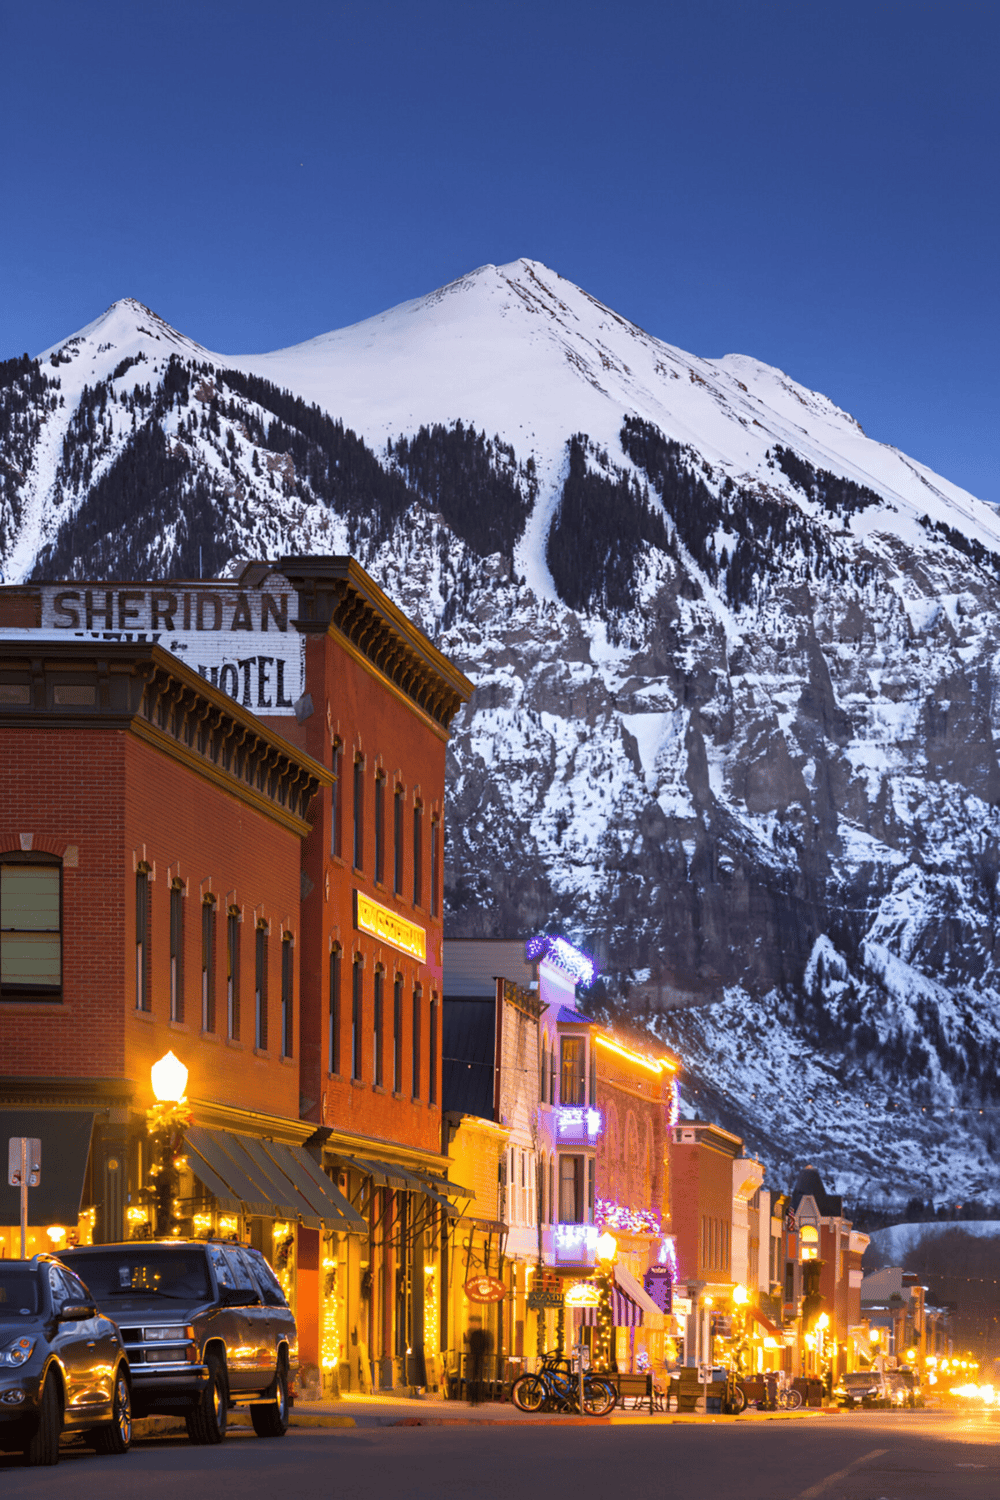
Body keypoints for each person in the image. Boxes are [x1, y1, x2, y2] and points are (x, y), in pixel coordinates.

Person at [465, 1316, 492, 1405]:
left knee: (476, 1378)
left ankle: (475, 1398)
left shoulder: (477, 1334)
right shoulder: (477, 1333)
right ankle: (475, 1398)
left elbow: (471, 1344)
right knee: (476, 1378)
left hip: (477, 1358)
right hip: (476, 1358)